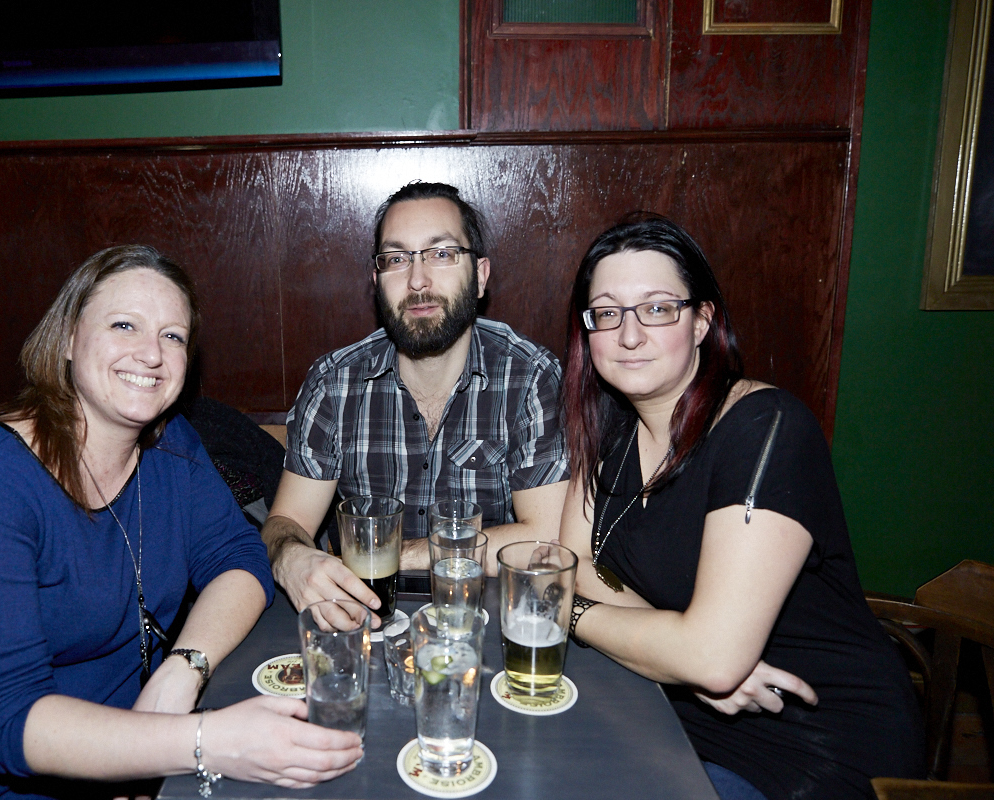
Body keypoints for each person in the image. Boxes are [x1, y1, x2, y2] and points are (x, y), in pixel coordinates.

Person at [0, 246, 363, 800]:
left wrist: (180, 672)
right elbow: (11, 727)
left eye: (173, 336)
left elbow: (239, 556)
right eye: (124, 324)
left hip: (125, 759)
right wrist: (207, 741)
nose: (151, 354)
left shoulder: (170, 445)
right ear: (66, 337)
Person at [559, 215, 924, 799]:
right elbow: (571, 561)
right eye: (608, 313)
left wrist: (569, 616)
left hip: (813, 738)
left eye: (657, 308)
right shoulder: (607, 428)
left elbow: (711, 657)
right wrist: (682, 654)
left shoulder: (766, 428)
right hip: (680, 713)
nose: (629, 336)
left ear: (702, 320)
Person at [263, 181, 570, 613]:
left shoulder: (530, 376)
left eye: (441, 254)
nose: (418, 279)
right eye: (396, 259)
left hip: (484, 617)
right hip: (361, 617)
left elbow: (548, 538)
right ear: (377, 281)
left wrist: (390, 556)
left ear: (480, 275)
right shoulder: (335, 382)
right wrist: (290, 555)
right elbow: (286, 523)